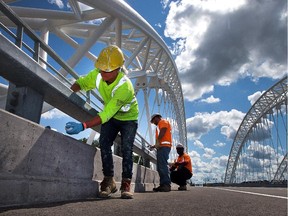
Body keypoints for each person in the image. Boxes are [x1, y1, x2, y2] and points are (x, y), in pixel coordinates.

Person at [65, 45, 139, 199]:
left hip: (128, 119)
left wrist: (83, 126)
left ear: (118, 69)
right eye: (101, 69)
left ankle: (126, 183)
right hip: (112, 116)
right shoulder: (98, 74)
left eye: (108, 70)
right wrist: (67, 91)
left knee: (126, 148)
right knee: (104, 143)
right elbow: (82, 83)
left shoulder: (124, 86)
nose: (103, 73)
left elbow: (106, 114)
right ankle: (109, 181)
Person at [150, 113, 172, 192]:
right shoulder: (160, 124)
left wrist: (157, 141)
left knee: (162, 166)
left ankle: (166, 185)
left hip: (164, 147)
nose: (153, 123)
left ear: (156, 118)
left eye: (153, 121)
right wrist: (154, 145)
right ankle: (163, 184)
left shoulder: (162, 122)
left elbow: (163, 130)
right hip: (162, 146)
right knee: (160, 166)